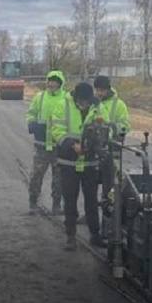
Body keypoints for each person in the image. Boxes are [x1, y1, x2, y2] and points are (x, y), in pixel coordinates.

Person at [51, 81, 106, 251]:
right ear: (76, 98)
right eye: (82, 101)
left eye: (87, 101)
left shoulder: (98, 108)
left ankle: (95, 234)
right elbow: (57, 131)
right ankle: (71, 236)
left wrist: (100, 141)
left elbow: (105, 128)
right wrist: (71, 145)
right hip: (69, 162)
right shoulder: (63, 106)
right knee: (70, 200)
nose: (84, 104)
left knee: (91, 201)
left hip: (90, 163)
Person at [93, 75, 131, 236]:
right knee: (91, 185)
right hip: (95, 150)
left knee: (110, 189)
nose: (100, 93)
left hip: (112, 151)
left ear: (108, 90)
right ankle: (91, 216)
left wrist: (113, 132)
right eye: (98, 90)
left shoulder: (118, 104)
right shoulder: (92, 103)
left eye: (103, 90)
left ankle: (107, 225)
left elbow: (125, 125)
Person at [25, 70, 67, 215]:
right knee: (37, 174)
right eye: (50, 80)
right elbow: (31, 113)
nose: (52, 83)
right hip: (41, 144)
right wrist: (32, 123)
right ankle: (33, 202)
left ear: (60, 83)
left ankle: (56, 204)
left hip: (59, 146)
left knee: (59, 177)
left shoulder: (66, 99)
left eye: (55, 81)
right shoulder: (40, 97)